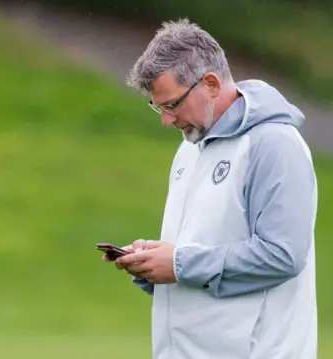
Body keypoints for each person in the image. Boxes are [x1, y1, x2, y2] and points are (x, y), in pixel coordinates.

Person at [103, 18, 318, 359]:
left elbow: (283, 255)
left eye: (172, 105)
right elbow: (201, 252)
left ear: (212, 83)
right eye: (158, 107)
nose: (166, 120)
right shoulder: (190, 146)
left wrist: (179, 264)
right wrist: (155, 261)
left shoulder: (274, 143)